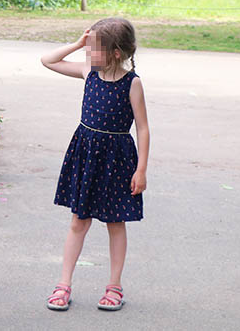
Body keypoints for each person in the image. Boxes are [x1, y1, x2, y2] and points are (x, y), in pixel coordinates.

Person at [39, 17, 150, 312]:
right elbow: (47, 60)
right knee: (79, 221)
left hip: (117, 159)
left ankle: (114, 286)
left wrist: (141, 169)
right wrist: (78, 43)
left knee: (115, 222)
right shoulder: (89, 72)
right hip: (86, 155)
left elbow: (143, 129)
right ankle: (63, 284)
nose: (87, 55)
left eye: (93, 49)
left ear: (115, 53)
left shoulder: (132, 84)